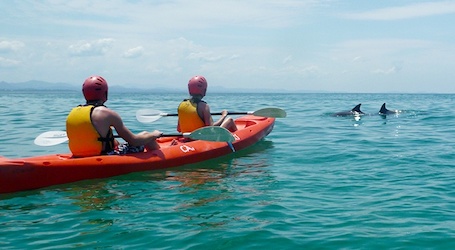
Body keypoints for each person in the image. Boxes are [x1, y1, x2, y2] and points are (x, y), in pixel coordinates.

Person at [66, 75, 162, 157]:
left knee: (124, 141)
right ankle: (161, 159)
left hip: (79, 155)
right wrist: (154, 134)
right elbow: (134, 141)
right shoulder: (107, 113)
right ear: (105, 93)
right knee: (146, 136)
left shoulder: (73, 112)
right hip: (105, 155)